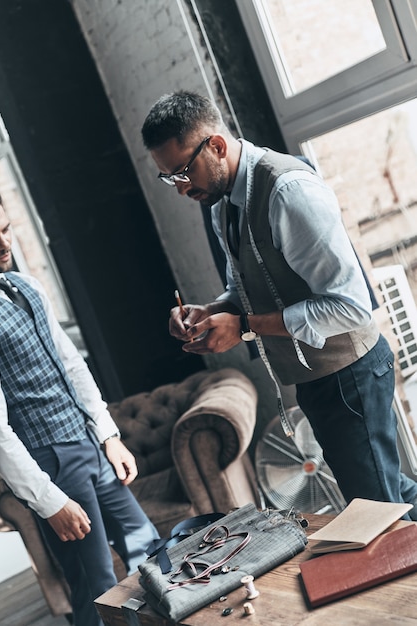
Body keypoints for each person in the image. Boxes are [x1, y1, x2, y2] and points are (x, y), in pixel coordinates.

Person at [141, 90, 417, 519]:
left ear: (215, 146)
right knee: (387, 490)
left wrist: (245, 326)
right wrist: (211, 311)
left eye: (182, 172)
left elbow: (350, 306)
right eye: (168, 178)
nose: (180, 189)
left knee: (379, 514)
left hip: (351, 377)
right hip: (316, 380)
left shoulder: (289, 191)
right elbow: (243, 285)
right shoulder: (221, 204)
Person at [0, 194, 159, 626]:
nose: (3, 244)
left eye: (5, 229)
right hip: (49, 463)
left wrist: (109, 437)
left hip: (89, 444)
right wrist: (49, 501)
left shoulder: (26, 285)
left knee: (151, 549)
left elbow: (72, 364)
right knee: (97, 585)